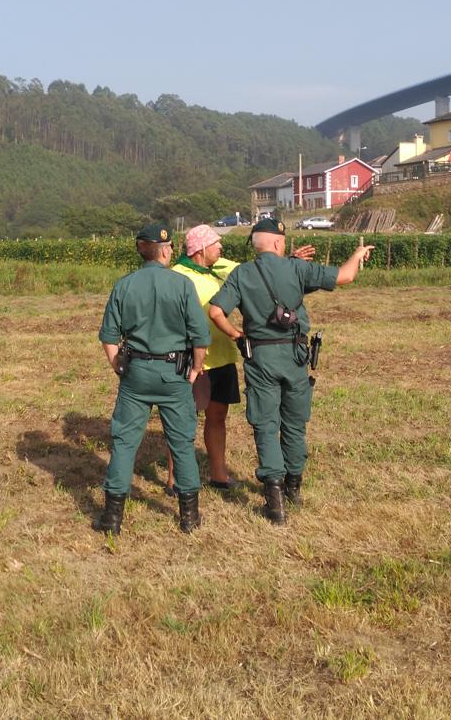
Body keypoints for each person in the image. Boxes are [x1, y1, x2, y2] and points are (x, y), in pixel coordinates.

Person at [208, 218, 372, 525]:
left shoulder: (242, 273)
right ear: (277, 243)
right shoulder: (297, 269)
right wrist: (358, 253)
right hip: (295, 356)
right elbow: (346, 276)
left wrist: (237, 336)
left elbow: (216, 311)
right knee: (295, 423)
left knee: (265, 425)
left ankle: (274, 499)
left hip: (259, 357)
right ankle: (294, 486)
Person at [166, 223, 315, 494]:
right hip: (193, 360)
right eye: (216, 244)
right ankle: (175, 478)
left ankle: (219, 474)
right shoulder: (177, 276)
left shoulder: (220, 268)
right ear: (200, 249)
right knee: (183, 419)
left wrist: (290, 262)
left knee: (218, 416)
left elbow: (259, 273)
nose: (221, 247)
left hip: (222, 357)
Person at [95, 223, 210, 535]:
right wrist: (195, 370)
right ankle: (189, 517)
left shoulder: (124, 285)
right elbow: (200, 338)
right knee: (182, 442)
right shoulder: (183, 285)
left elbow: (108, 336)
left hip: (136, 373)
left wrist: (117, 365)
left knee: (124, 443)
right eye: (170, 246)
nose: (171, 250)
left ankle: (112, 519)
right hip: (175, 373)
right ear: (164, 249)